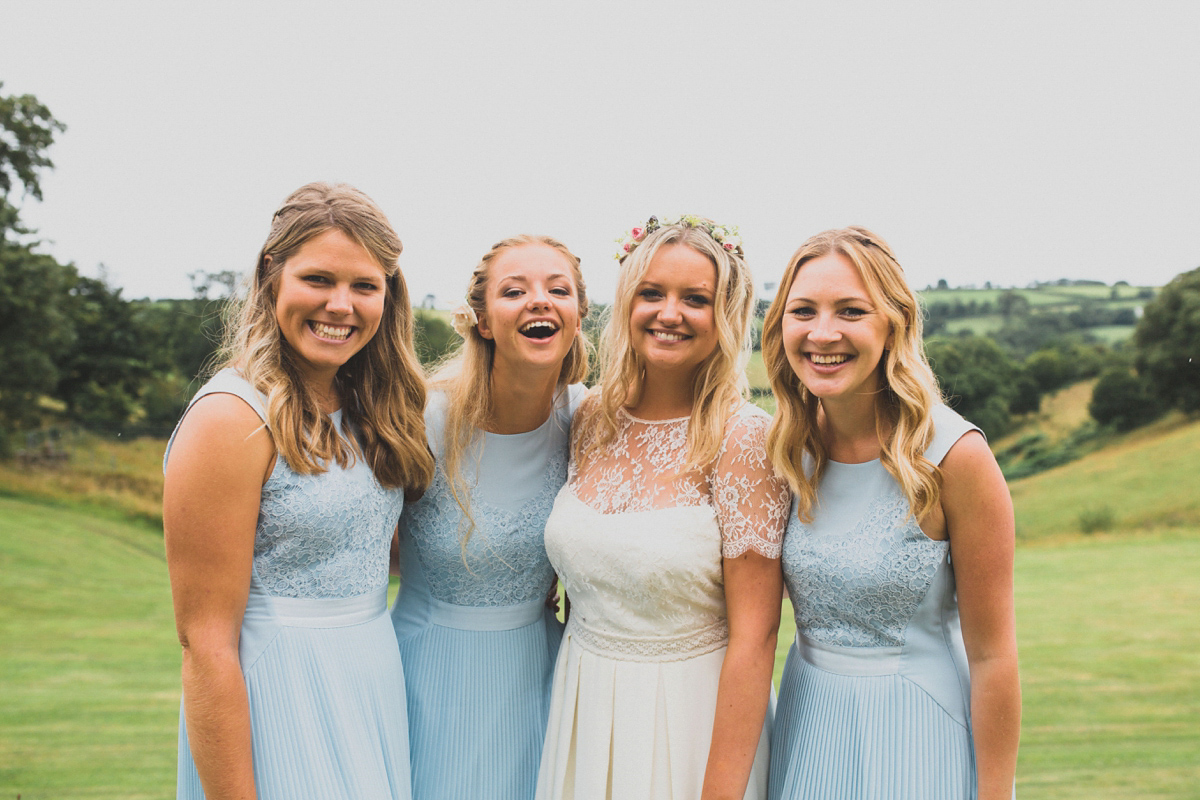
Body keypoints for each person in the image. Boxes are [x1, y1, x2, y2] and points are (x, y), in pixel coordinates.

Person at [163, 182, 434, 800]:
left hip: (369, 682)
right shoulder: (231, 418)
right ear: (271, 276)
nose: (341, 305)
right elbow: (205, 644)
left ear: (388, 297)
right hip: (277, 692)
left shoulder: (370, 407)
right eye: (318, 279)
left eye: (365, 286)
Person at [761, 227, 1021, 799]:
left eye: (850, 311)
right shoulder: (785, 448)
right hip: (809, 731)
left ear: (893, 323)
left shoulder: (957, 456)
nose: (822, 333)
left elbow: (993, 654)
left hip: (919, 732)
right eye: (803, 311)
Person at [536, 215, 790, 800]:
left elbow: (755, 640)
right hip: (584, 704)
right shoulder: (589, 418)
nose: (669, 314)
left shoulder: (744, 439)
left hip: (691, 718)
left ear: (724, 314)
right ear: (627, 302)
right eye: (652, 293)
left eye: (694, 299)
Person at [390, 235, 590, 799]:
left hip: (542, 676)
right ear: (481, 320)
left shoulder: (588, 422)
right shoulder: (423, 419)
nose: (540, 301)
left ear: (577, 316)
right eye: (515, 290)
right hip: (429, 675)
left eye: (558, 289)